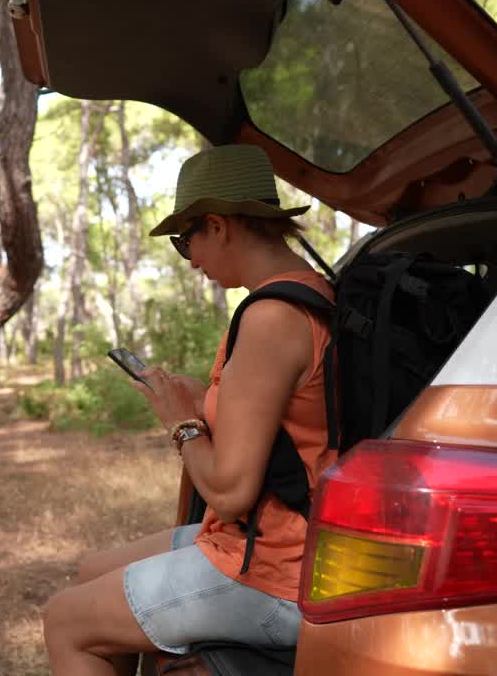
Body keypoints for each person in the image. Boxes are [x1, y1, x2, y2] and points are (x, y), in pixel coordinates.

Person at [41, 144, 337, 675]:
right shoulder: (311, 294)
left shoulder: (271, 318)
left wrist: (179, 424)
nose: (192, 259)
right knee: (91, 570)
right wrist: (203, 400)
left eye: (186, 241)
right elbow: (291, 423)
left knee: (64, 620)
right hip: (270, 541)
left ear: (219, 226)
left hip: (274, 571)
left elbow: (228, 492)